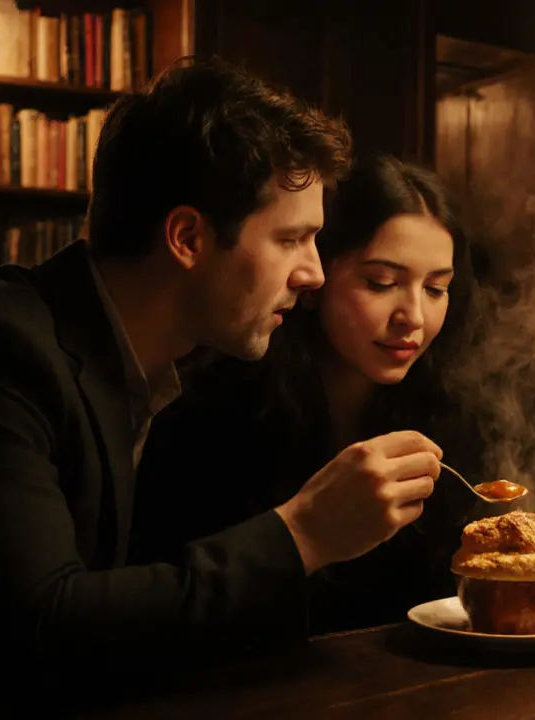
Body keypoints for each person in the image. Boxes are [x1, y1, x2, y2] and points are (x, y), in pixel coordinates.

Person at [0, 60, 444, 713]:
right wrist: (302, 533)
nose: (313, 274)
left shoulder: (142, 366)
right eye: (292, 239)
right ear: (187, 237)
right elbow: (44, 630)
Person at [132, 155, 486, 635]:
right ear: (317, 279)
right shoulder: (217, 408)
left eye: (435, 288)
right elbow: (167, 598)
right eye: (381, 283)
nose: (414, 317)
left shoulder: (448, 413)